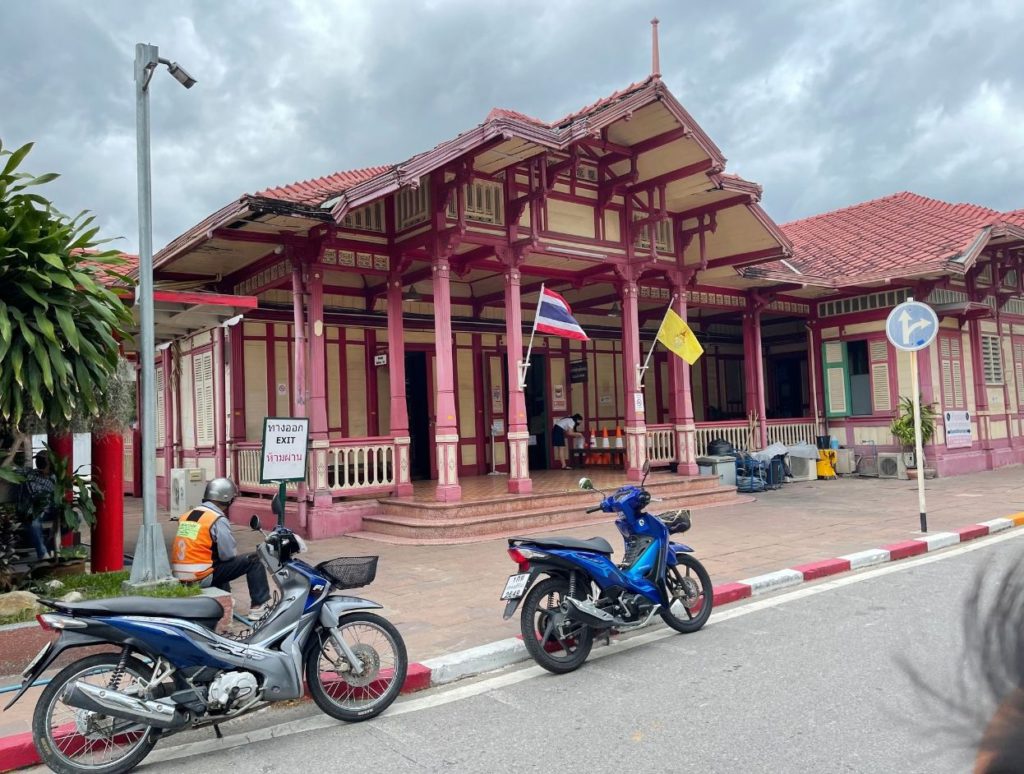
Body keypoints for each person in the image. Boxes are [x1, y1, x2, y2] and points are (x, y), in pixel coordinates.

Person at [171, 477, 272, 619]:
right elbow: (228, 554)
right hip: (200, 577)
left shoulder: (187, 515)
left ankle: (226, 599)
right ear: (227, 498)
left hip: (180, 575)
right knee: (253, 560)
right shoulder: (216, 518)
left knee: (216, 559)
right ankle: (259, 606)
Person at [20, 451, 56, 560]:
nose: (38, 462)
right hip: (33, 511)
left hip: (48, 511)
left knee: (72, 519)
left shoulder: (53, 478)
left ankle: (48, 545)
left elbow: (56, 497)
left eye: (42, 460)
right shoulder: (30, 474)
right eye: (38, 460)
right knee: (33, 522)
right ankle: (43, 553)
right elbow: (35, 496)